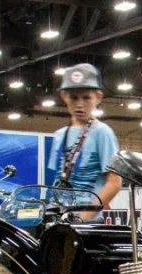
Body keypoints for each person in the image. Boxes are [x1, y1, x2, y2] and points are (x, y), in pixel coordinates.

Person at [47, 63, 122, 219]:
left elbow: (114, 183)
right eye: (74, 97)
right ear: (64, 96)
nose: (80, 104)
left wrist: (83, 218)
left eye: (86, 97)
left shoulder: (102, 133)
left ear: (98, 97)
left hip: (85, 222)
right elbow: (56, 179)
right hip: (58, 217)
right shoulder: (59, 135)